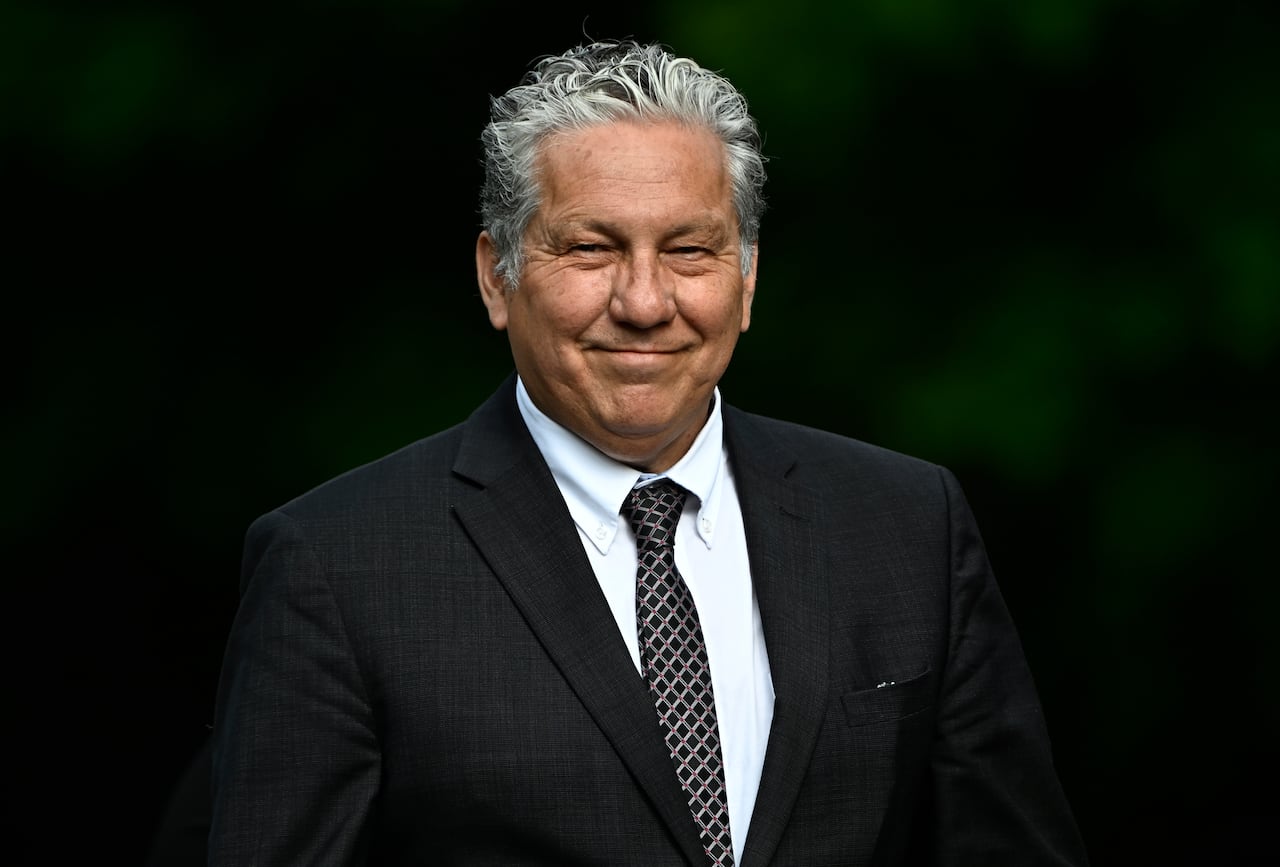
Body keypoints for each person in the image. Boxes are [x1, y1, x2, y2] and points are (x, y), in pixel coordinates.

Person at [209, 40, 1089, 866]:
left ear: (745, 279)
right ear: (496, 275)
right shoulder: (337, 567)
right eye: (591, 247)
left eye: (689, 249)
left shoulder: (905, 526)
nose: (643, 300)